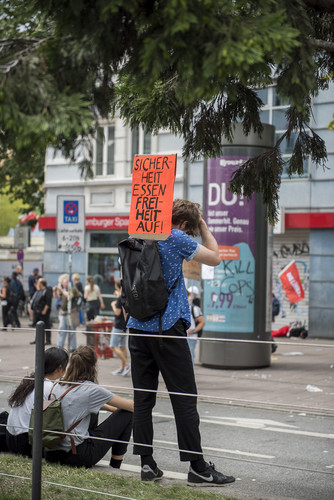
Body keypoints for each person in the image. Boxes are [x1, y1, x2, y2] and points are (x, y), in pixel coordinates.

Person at [127, 199, 235, 486]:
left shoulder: (140, 232)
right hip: (167, 328)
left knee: (143, 398)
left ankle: (147, 464)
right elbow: (214, 257)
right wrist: (202, 222)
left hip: (136, 328)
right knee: (184, 399)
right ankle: (197, 467)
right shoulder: (175, 237)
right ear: (186, 224)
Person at [44, 345, 133, 469]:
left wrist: (110, 408)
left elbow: (77, 403)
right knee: (128, 414)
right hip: (77, 456)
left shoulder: (57, 384)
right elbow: (132, 407)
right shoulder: (91, 389)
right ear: (93, 366)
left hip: (51, 453)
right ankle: (115, 465)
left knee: (92, 411)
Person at [6, 347, 69, 457]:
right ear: (60, 368)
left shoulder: (30, 381)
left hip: (10, 438)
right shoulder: (51, 388)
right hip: (26, 443)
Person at [54, 273, 80, 353]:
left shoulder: (72, 289)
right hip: (63, 313)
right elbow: (57, 297)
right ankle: (59, 346)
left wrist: (61, 290)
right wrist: (56, 291)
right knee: (61, 330)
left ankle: (73, 347)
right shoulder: (64, 290)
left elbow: (70, 296)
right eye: (63, 282)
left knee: (71, 331)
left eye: (64, 282)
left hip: (71, 314)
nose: (63, 284)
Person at [110, 278, 130, 376]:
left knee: (113, 347)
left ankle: (126, 364)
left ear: (116, 286)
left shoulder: (119, 299)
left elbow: (117, 312)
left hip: (118, 325)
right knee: (122, 347)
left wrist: (113, 304)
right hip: (124, 325)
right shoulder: (125, 296)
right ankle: (122, 368)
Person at [30, 277, 53, 345]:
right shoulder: (39, 291)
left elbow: (48, 302)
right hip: (37, 311)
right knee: (38, 326)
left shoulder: (47, 291)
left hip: (43, 312)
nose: (37, 283)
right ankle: (37, 340)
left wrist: (44, 310)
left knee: (46, 325)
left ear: (41, 284)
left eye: (38, 282)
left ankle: (48, 340)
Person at [186, 289, 205, 364]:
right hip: (182, 336)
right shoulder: (180, 307)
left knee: (190, 356)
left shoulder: (195, 308)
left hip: (191, 337)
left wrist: (193, 330)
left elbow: (202, 322)